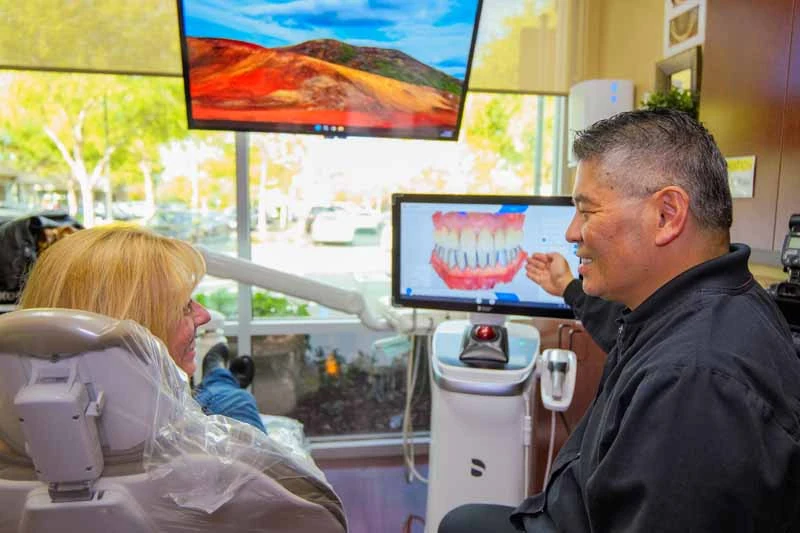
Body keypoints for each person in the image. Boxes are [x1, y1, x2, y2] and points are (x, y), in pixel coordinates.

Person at [439, 109, 800, 532]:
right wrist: (569, 288)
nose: (572, 232)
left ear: (666, 215)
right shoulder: (703, 307)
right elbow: (632, 338)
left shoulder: (694, 380)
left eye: (586, 211)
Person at [17, 223, 267, 434]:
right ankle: (217, 374)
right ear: (135, 327)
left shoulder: (21, 435)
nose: (204, 315)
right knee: (231, 397)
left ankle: (216, 372)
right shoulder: (222, 440)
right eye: (183, 307)